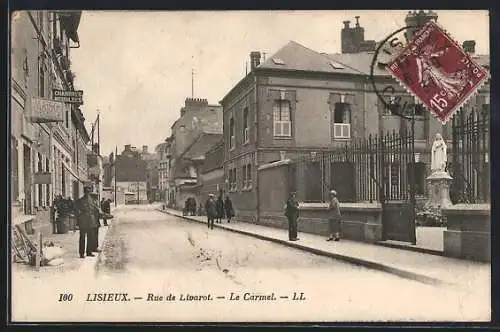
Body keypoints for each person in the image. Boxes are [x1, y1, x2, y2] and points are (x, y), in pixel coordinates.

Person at [75, 184, 99, 258]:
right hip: (83, 222)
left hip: (91, 222)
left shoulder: (92, 200)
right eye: (87, 191)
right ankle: (81, 253)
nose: (88, 193)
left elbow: (95, 210)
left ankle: (89, 252)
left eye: (89, 191)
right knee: (82, 238)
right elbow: (76, 211)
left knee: (90, 237)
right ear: (84, 192)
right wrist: (79, 218)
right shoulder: (80, 201)